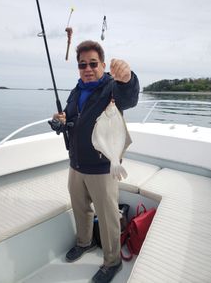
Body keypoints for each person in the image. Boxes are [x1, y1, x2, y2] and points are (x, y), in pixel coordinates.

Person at [52, 40, 139, 283]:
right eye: (82, 65)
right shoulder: (77, 91)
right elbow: (70, 118)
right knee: (80, 208)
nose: (87, 69)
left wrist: (128, 77)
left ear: (102, 64)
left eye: (93, 63)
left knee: (108, 214)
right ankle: (85, 242)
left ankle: (113, 262)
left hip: (103, 166)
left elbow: (130, 98)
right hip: (76, 164)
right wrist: (60, 120)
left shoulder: (113, 88)